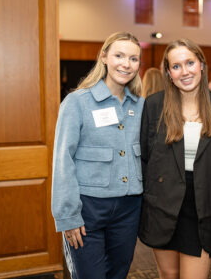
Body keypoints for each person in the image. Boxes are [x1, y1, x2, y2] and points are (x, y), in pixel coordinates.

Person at [51, 32, 145, 279]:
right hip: (87, 208)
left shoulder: (140, 105)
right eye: (119, 55)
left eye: (134, 58)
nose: (126, 64)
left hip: (128, 208)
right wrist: (68, 216)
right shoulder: (77, 102)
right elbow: (63, 161)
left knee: (118, 274)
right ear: (104, 57)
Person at [139, 39, 211, 279]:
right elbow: (145, 158)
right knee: (168, 275)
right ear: (168, 73)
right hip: (164, 204)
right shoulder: (154, 105)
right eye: (176, 66)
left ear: (201, 64)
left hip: (201, 206)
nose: (185, 71)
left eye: (190, 62)